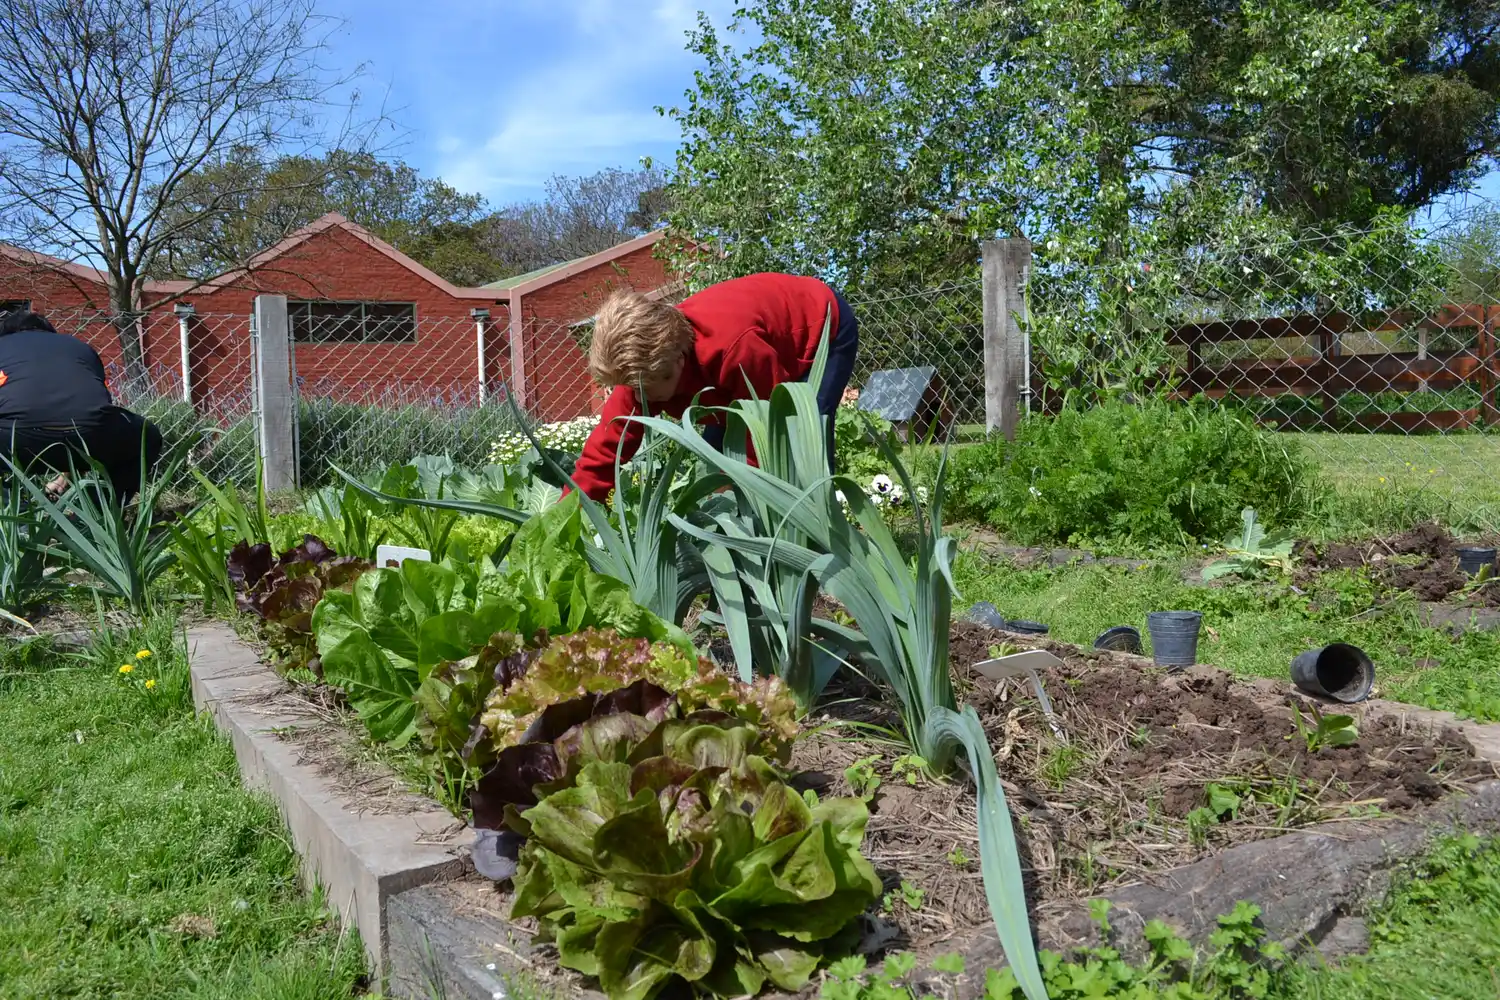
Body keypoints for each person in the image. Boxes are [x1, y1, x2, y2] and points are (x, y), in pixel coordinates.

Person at [570, 274, 860, 500]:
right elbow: (604, 453)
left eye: (648, 389)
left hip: (820, 327)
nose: (642, 399)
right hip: (743, 363)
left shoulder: (734, 348)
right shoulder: (641, 372)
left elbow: (769, 430)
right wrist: (562, 518)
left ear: (678, 361)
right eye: (634, 389)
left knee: (802, 447)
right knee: (714, 469)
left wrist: (738, 489)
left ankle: (820, 545)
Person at [0, 310, 163, 502]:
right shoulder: (80, 347)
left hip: (14, 441)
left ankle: (16, 516)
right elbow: (89, 414)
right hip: (89, 439)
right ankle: (97, 517)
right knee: (147, 437)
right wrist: (66, 475)